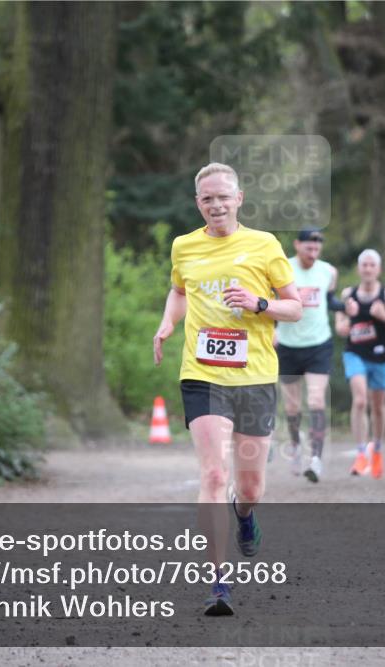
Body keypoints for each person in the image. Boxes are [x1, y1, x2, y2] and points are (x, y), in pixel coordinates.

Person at [152, 162, 302, 616]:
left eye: (223, 197)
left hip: (254, 376)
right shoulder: (184, 246)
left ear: (239, 199)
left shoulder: (264, 244)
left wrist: (259, 304)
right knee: (214, 475)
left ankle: (245, 513)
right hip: (203, 373)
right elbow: (179, 291)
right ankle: (218, 583)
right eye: (206, 199)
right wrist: (166, 323)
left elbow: (294, 308)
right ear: (198, 204)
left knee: (250, 486)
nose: (215, 205)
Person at [274, 228, 345, 483]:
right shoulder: (284, 268)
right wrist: (273, 329)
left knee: (316, 400)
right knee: (292, 406)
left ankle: (315, 459)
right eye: (308, 248)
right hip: (288, 345)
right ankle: (295, 445)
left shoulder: (329, 271)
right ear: (297, 245)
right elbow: (273, 300)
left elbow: (329, 300)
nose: (313, 253)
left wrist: (348, 306)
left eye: (317, 249)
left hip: (318, 345)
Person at [334, 249, 385, 479]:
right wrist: (346, 323)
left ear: (378, 269)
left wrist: (384, 317)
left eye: (372, 265)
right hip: (354, 354)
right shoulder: (349, 294)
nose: (367, 269)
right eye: (364, 265)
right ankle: (360, 454)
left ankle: (376, 450)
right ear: (359, 269)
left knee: (377, 407)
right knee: (359, 400)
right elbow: (339, 327)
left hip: (380, 357)